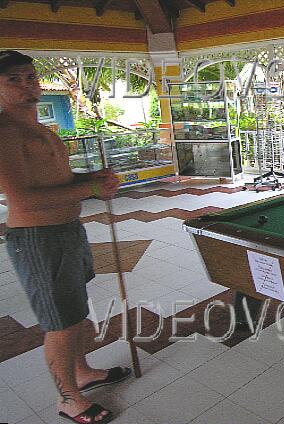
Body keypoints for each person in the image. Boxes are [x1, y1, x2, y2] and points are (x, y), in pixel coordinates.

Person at [0, 50, 130, 423]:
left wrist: (91, 181)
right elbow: (22, 197)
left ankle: (82, 373)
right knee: (59, 322)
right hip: (39, 239)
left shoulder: (40, 128)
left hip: (67, 231)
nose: (26, 84)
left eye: (30, 77)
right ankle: (67, 399)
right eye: (13, 79)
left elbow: (57, 181)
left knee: (73, 311)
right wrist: (89, 191)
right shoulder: (5, 132)